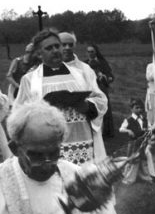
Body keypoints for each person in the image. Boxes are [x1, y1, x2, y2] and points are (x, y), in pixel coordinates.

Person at [15, 29, 108, 165]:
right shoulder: (30, 80)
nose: (55, 50)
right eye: (49, 48)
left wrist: (87, 106)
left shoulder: (81, 74)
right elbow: (19, 114)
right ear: (39, 54)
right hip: (48, 144)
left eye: (57, 46)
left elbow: (101, 99)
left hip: (80, 140)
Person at [59, 31, 107, 160]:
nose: (67, 48)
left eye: (70, 44)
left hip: (82, 128)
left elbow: (100, 98)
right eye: (63, 44)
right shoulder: (44, 71)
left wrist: (87, 105)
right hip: (58, 129)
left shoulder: (85, 69)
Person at [118, 98, 151, 185]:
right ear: (131, 109)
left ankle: (145, 176)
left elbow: (148, 127)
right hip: (134, 143)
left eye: (141, 108)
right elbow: (121, 129)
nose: (139, 110)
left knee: (144, 159)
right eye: (137, 108)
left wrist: (146, 130)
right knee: (133, 160)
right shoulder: (129, 120)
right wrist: (129, 131)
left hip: (143, 142)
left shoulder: (144, 119)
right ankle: (129, 178)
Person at [85, 43, 115, 138]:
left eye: (92, 52)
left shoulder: (102, 63)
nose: (90, 53)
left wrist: (105, 77)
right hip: (90, 90)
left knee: (104, 108)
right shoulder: (85, 64)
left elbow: (111, 76)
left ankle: (106, 131)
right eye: (88, 52)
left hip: (101, 88)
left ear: (96, 52)